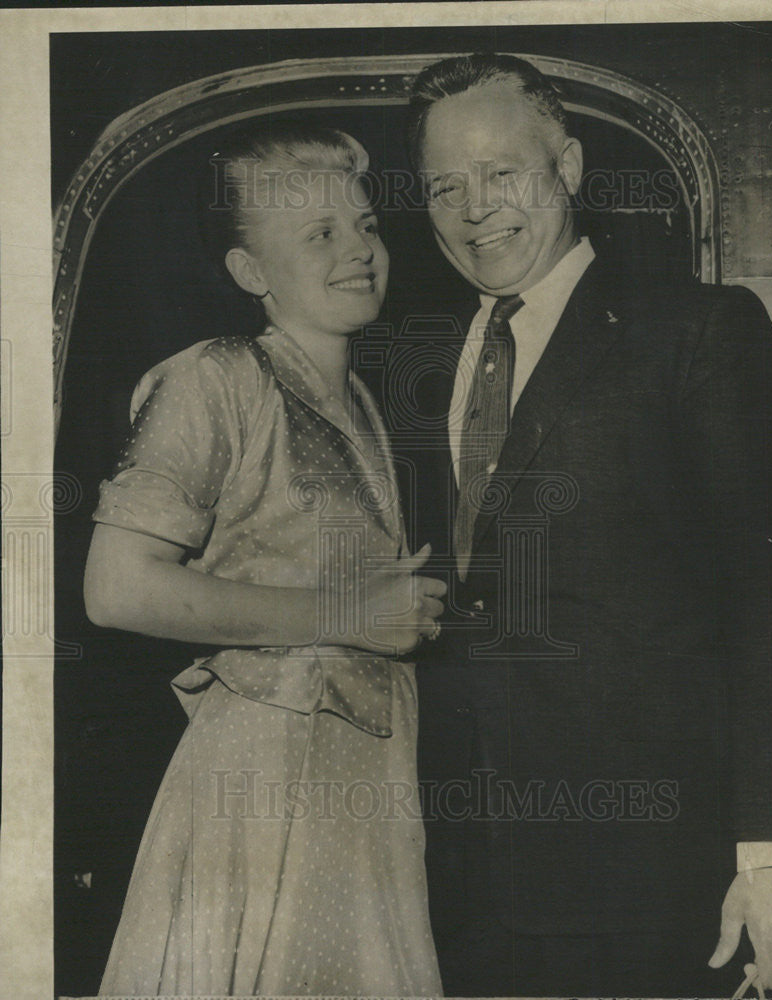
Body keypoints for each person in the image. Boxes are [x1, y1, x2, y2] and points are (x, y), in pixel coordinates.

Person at [403, 53, 772, 997]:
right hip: (459, 889)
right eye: (445, 185)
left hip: (656, 886)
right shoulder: (417, 360)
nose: (475, 208)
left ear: (570, 165)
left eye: (503, 173)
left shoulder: (698, 331)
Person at [84, 121, 445, 997]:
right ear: (251, 273)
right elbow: (115, 588)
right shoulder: (216, 377)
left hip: (362, 779)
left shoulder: (361, 400)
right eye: (318, 233)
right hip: (263, 779)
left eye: (363, 224)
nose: (358, 249)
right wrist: (347, 612)